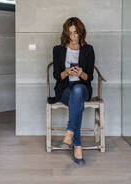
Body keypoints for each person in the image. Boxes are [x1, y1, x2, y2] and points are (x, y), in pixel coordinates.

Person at [52, 17, 95, 166]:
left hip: (83, 88)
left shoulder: (88, 49)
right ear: (66, 33)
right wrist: (66, 72)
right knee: (76, 102)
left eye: (75, 32)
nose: (73, 36)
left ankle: (69, 133)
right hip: (64, 90)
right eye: (70, 33)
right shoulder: (58, 50)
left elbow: (90, 77)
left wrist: (81, 74)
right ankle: (77, 145)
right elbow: (56, 76)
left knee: (77, 90)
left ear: (81, 32)